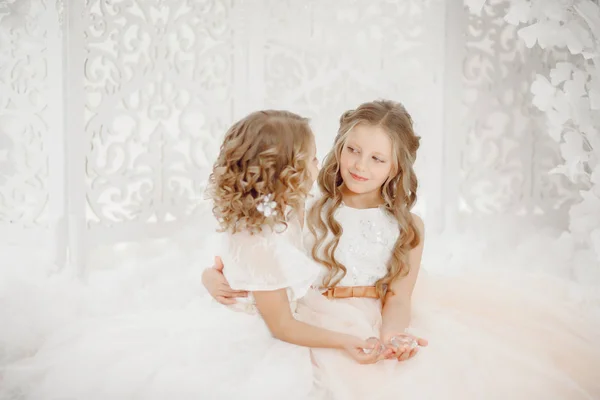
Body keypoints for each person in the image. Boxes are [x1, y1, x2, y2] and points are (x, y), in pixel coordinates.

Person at [203, 100, 600, 399]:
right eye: (352, 151)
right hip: (318, 316)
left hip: (377, 316)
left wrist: (393, 335)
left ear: (396, 167)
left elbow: (399, 296)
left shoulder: (408, 228)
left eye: (378, 158)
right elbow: (260, 260)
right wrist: (212, 276)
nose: (360, 165)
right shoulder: (306, 208)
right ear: (337, 148)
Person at [1, 110, 380, 400]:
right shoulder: (260, 236)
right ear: (286, 173)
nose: (320, 166)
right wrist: (343, 340)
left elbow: (240, 267)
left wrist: (209, 275)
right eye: (312, 159)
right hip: (260, 333)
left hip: (277, 308)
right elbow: (281, 325)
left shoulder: (282, 207)